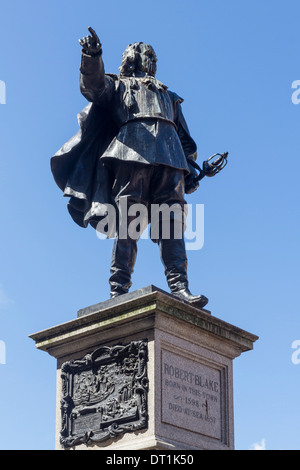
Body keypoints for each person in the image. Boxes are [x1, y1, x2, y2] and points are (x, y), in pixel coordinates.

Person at [51, 27, 208, 309]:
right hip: (130, 153)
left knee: (171, 225)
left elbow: (185, 140)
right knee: (128, 223)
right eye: (149, 55)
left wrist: (191, 170)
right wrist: (92, 55)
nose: (153, 61)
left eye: (155, 57)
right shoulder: (119, 85)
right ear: (134, 58)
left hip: (170, 158)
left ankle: (180, 287)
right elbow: (94, 86)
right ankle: (118, 290)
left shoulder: (169, 96)